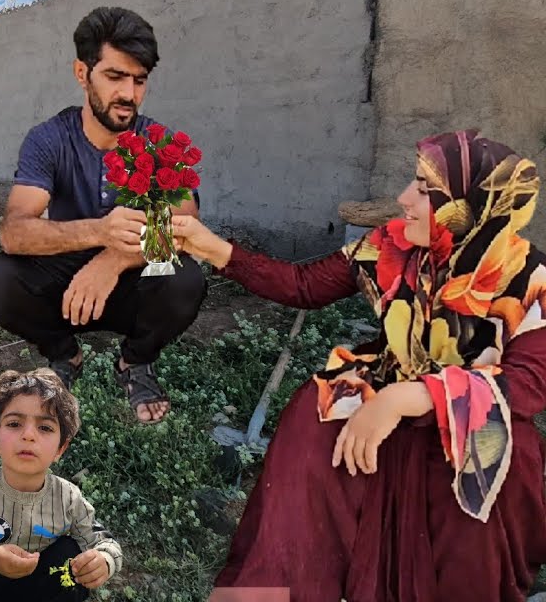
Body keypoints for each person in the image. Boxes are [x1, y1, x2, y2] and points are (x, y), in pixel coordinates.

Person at [172, 130, 546, 600]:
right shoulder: (391, 247)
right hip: (393, 379)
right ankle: (302, 578)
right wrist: (208, 246)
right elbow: (303, 285)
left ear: (469, 206)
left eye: (423, 190)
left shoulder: (528, 277)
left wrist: (410, 397)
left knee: (490, 471)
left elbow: (527, 384)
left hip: (466, 417)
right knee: (313, 418)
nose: (402, 199)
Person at [0, 6, 206, 424]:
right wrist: (100, 232)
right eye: (115, 77)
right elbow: (14, 231)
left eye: (139, 81)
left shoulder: (159, 143)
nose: (129, 94)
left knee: (184, 278)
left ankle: (135, 362)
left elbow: (185, 228)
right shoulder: (49, 139)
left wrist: (114, 259)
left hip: (132, 285)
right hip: (65, 287)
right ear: (82, 73)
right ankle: (66, 354)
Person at [0, 368, 123, 600]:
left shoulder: (68, 498)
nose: (28, 435)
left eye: (44, 427)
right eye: (14, 424)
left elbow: (106, 542)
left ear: (60, 449)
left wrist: (104, 561)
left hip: (40, 587)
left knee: (70, 551)